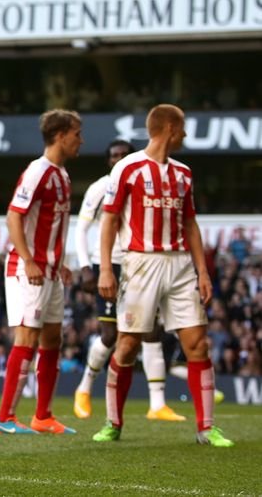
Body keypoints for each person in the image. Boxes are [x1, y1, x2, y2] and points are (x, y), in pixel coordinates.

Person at [93, 104, 233, 447]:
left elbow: (190, 223)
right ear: (170, 128)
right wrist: (107, 268)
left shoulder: (183, 173)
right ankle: (113, 422)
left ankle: (205, 428)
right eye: (182, 128)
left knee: (197, 343)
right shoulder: (128, 168)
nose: (185, 135)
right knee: (126, 346)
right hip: (141, 263)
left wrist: (203, 271)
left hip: (181, 264)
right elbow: (109, 219)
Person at [73, 140, 185, 422]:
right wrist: (87, 267)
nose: (120, 158)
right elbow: (81, 229)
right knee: (110, 336)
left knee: (150, 331)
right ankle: (84, 389)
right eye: (114, 155)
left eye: (125, 154)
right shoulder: (101, 187)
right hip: (108, 265)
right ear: (109, 161)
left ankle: (157, 404)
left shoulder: (143, 184)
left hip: (140, 264)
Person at [0, 109, 81, 435]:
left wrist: (59, 262)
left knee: (53, 338)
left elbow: (48, 226)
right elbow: (14, 217)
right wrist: (29, 259)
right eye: (76, 134)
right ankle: (5, 417)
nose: (80, 140)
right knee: (27, 337)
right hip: (27, 270)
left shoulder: (63, 174)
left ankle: (43, 416)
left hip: (51, 270)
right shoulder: (38, 172)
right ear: (59, 135)